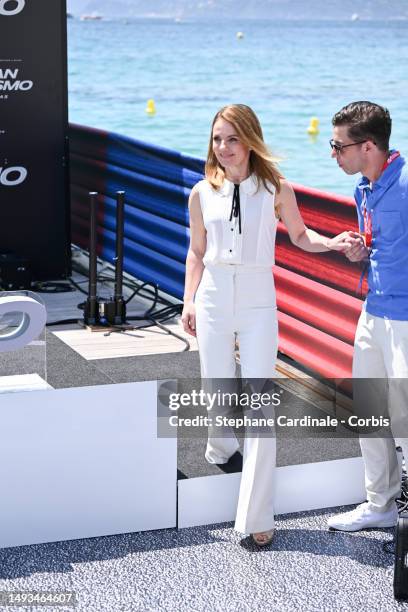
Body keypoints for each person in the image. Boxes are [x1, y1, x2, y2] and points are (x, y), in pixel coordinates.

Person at [181, 104, 349, 546]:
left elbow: (299, 235)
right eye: (217, 138)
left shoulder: (275, 188)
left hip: (258, 297)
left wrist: (330, 242)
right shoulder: (201, 192)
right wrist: (189, 301)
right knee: (216, 386)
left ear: (251, 139)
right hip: (214, 293)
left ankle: (257, 514)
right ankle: (220, 445)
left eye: (232, 138)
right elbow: (196, 251)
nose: (224, 147)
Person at [327, 100, 408, 531]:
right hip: (372, 312)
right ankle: (381, 505)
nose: (334, 154)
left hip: (406, 321)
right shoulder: (364, 188)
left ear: (369, 145)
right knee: (371, 411)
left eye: (339, 146)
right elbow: (384, 248)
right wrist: (362, 251)